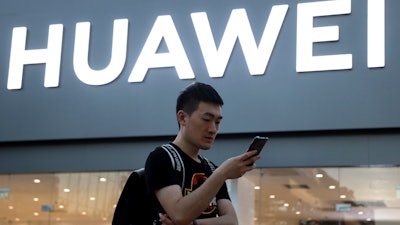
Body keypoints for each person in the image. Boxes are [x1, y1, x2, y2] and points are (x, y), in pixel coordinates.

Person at [144, 82, 261, 225]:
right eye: (206, 120)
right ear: (182, 118)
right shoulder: (163, 157)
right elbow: (179, 214)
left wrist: (193, 224)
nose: (213, 129)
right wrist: (222, 173)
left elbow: (231, 221)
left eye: (217, 122)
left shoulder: (211, 169)